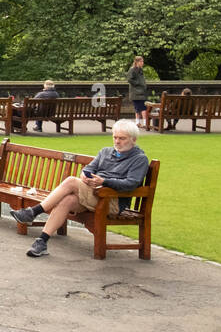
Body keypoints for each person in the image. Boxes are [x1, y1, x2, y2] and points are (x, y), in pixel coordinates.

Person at [10, 119, 148, 257]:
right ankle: (42, 242)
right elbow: (89, 168)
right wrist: (84, 176)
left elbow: (131, 183)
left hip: (112, 202)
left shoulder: (139, 159)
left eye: (122, 138)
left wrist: (104, 181)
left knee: (71, 181)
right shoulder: (106, 152)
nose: (117, 141)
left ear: (133, 140)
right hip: (93, 194)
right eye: (115, 137)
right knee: (68, 200)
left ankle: (33, 212)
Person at [127, 55, 150, 131]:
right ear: (137, 62)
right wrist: (138, 84)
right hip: (135, 92)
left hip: (141, 92)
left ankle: (137, 122)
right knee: (142, 108)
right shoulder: (132, 69)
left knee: (138, 108)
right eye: (141, 61)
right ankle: (144, 122)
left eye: (142, 61)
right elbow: (130, 79)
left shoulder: (140, 70)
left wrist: (143, 85)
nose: (142, 63)